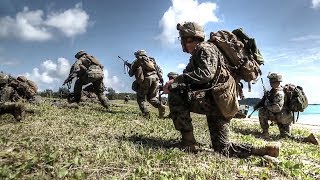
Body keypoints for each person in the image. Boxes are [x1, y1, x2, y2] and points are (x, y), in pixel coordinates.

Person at [163, 21, 280, 157]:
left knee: (175, 93)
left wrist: (175, 82)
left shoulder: (204, 48)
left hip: (213, 102)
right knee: (222, 148)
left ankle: (188, 142)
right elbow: (193, 77)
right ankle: (261, 150)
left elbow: (205, 75)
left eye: (182, 39)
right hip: (222, 104)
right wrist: (177, 81)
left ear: (188, 38)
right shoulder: (205, 51)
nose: (182, 43)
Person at [256, 73, 319, 145]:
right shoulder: (280, 90)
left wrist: (266, 104)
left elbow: (277, 108)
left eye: (271, 81)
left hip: (281, 117)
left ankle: (265, 133)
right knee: (286, 136)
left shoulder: (279, 93)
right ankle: (308, 139)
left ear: (272, 81)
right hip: (287, 118)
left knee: (262, 111)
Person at [128, 50, 165, 118]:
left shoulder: (137, 61)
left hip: (146, 80)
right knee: (151, 97)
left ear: (138, 55)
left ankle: (146, 114)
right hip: (156, 79)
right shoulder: (151, 60)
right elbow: (158, 70)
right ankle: (160, 106)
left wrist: (130, 67)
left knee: (141, 98)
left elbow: (131, 73)